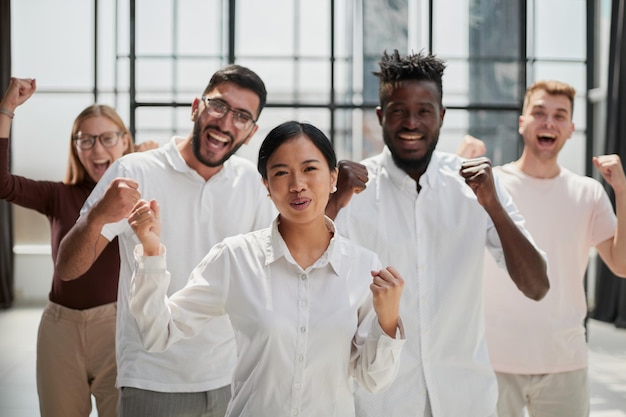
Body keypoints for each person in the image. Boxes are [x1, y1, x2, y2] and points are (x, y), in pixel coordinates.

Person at [126, 120, 406, 417]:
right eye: (281, 173)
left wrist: (387, 321)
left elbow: (374, 381)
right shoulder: (236, 258)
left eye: (310, 169)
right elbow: (158, 332)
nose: (297, 185)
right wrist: (151, 252)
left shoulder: (363, 267)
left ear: (333, 177)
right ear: (267, 186)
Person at [332, 50, 550, 417]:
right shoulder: (352, 192)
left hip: (466, 397)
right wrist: (334, 204)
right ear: (381, 116)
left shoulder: (478, 187)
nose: (411, 122)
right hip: (380, 401)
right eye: (399, 110)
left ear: (442, 116)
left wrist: (492, 205)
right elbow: (306, 274)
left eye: (424, 110)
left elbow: (537, 286)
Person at [55, 64, 277, 417]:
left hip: (230, 377)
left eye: (241, 117)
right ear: (195, 107)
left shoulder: (252, 183)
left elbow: (268, 277)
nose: (225, 122)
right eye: (218, 106)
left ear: (251, 133)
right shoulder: (134, 170)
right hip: (151, 378)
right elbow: (68, 268)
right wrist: (98, 215)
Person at [477, 80, 626, 416]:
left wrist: (622, 191)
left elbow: (621, 264)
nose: (549, 122)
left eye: (560, 116)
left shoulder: (588, 193)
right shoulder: (491, 187)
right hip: (494, 359)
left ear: (571, 129)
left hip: (565, 361)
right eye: (539, 113)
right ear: (522, 121)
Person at [0, 77, 143, 417]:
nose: (97, 149)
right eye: (86, 140)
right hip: (59, 329)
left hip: (117, 325)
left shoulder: (142, 192)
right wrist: (6, 109)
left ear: (124, 142)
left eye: (107, 138)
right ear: (75, 147)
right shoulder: (57, 195)